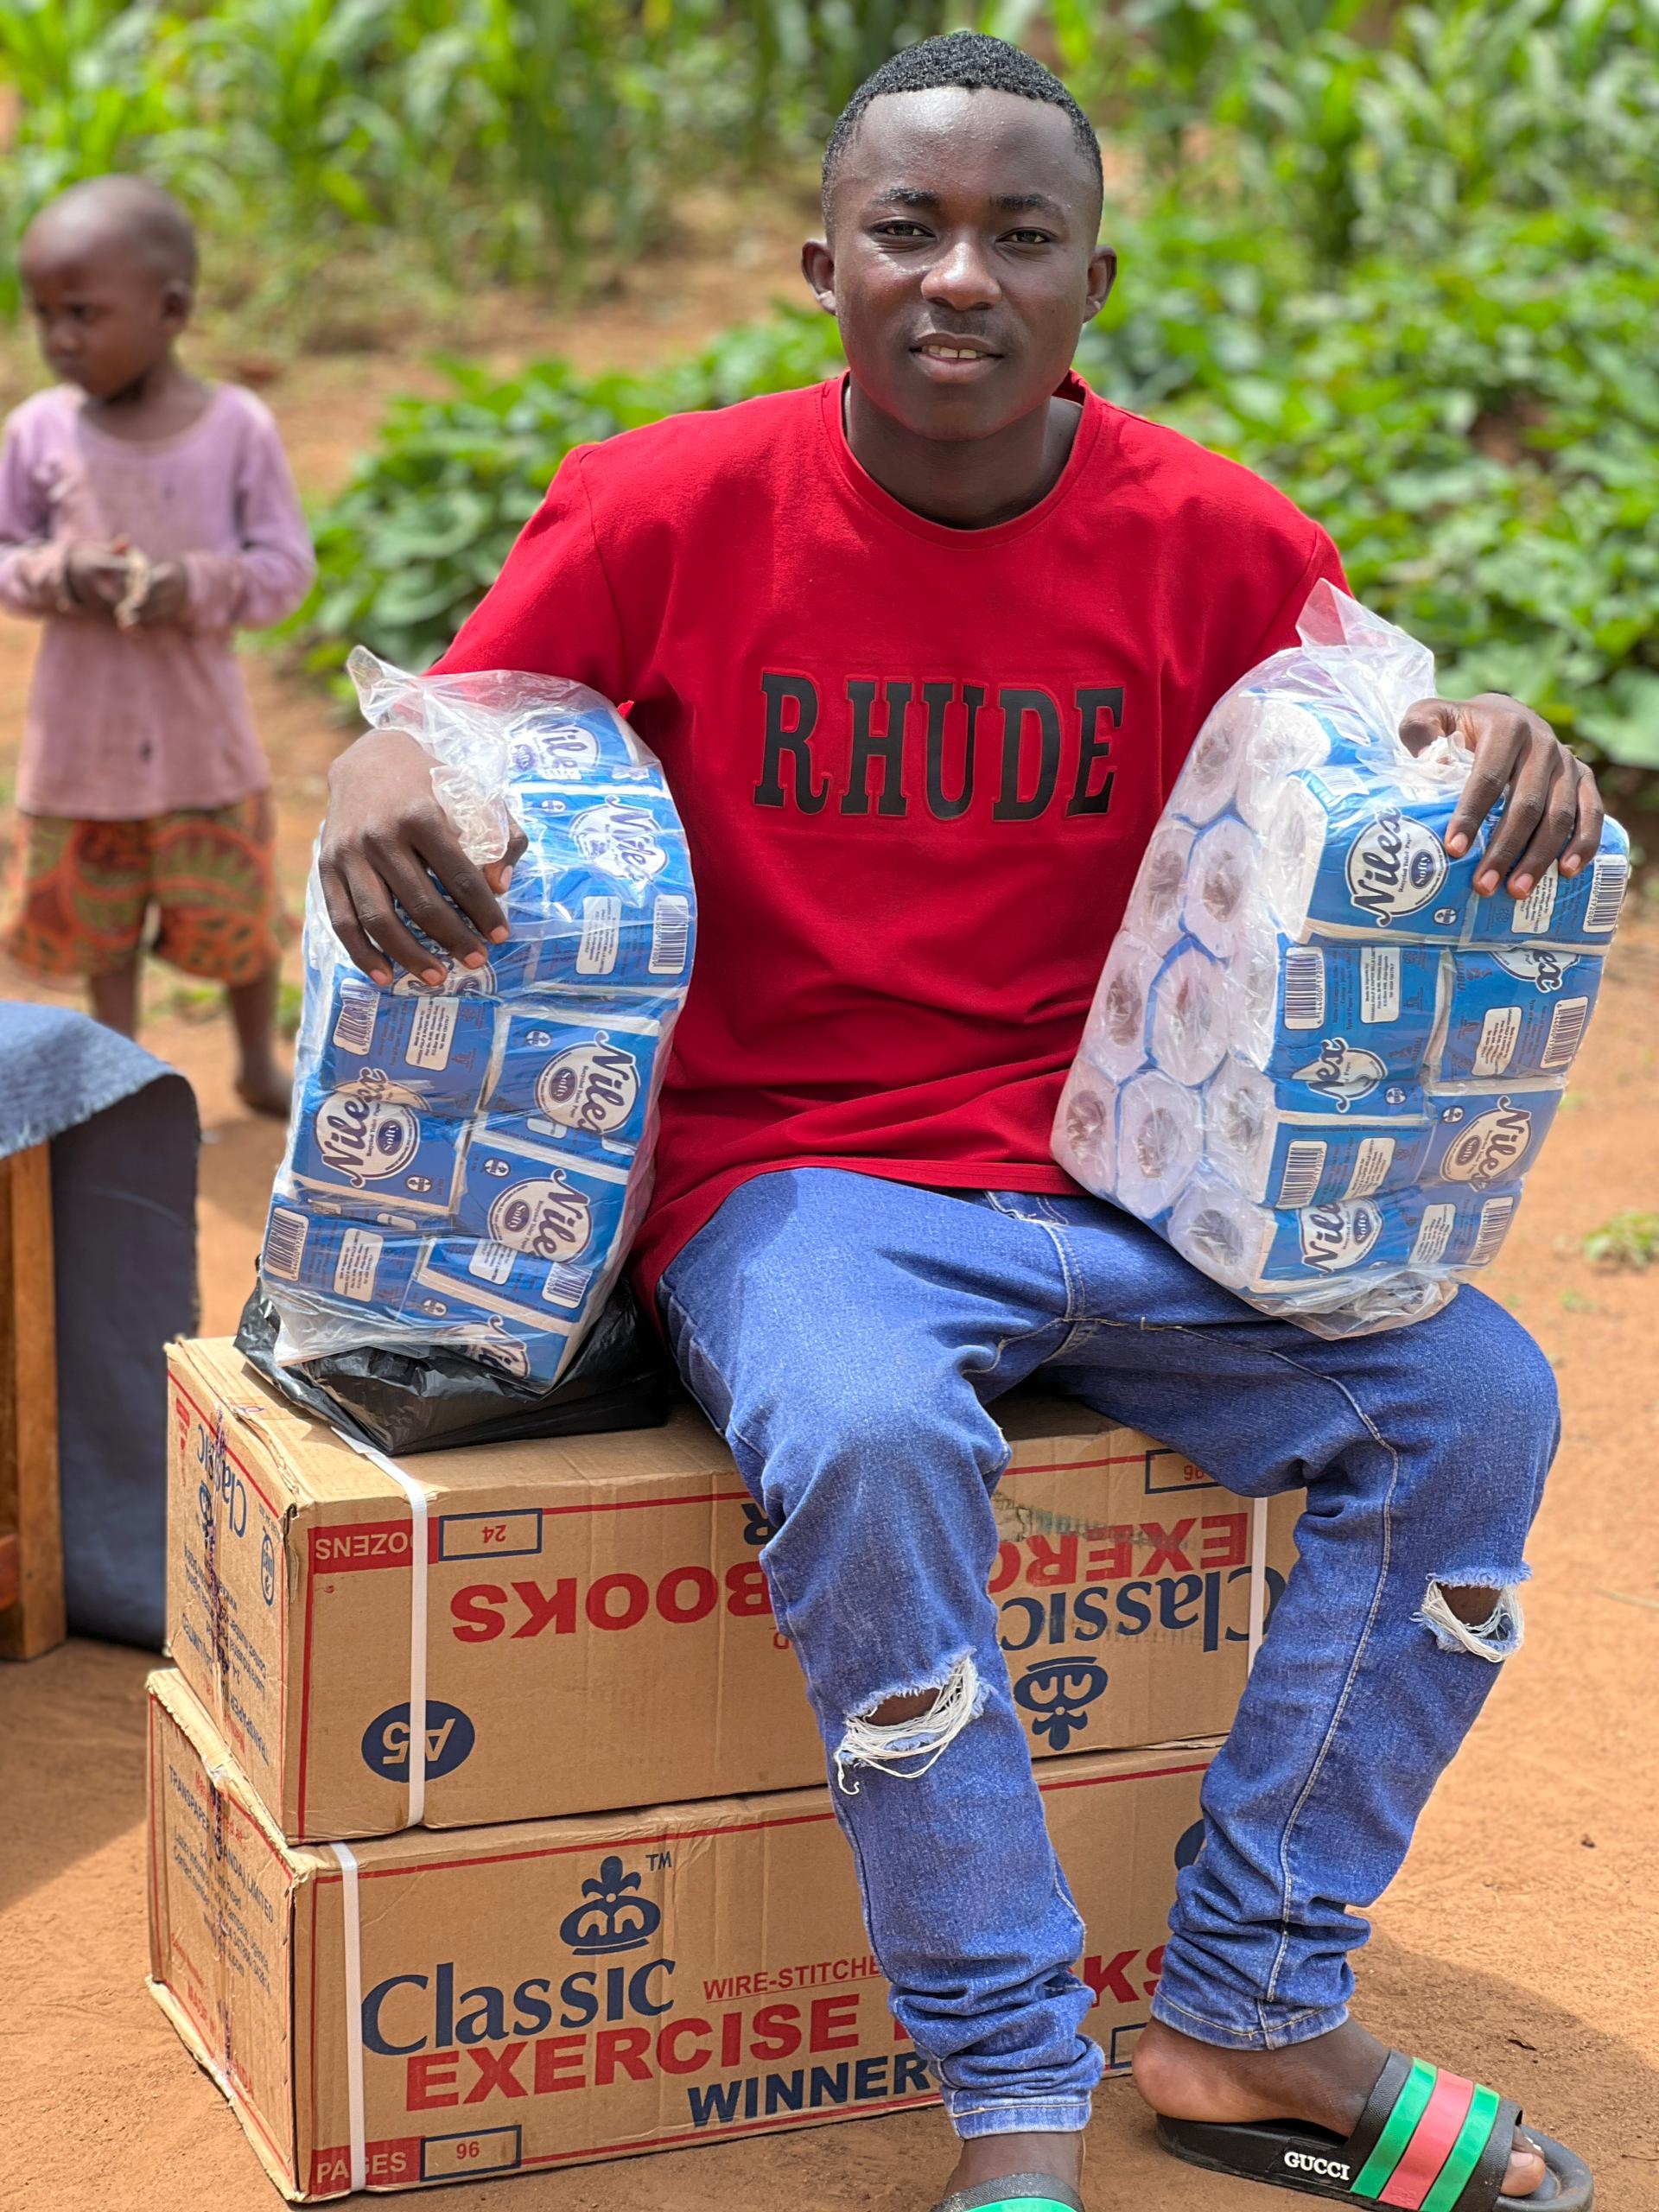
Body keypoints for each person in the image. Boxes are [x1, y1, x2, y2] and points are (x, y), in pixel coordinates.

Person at [317, 36, 1598, 2212]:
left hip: (1131, 1176)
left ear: (1096, 277)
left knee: (1472, 1401)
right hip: (801, 1181)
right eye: (906, 228)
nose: (958, 278)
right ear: (821, 262)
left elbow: (1373, 718)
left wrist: (1483, 728)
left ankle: (1246, 1999)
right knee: (878, 1432)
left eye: (1020, 234)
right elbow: (460, 731)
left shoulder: (1214, 537)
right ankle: (1010, 2082)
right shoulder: (659, 508)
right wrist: (372, 769)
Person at [0, 175, 315, 1114]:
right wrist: (62, 570)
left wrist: (193, 584)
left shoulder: (236, 430)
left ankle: (258, 1063)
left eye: (84, 315)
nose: (59, 339)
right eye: (44, 315)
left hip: (200, 744)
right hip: (81, 749)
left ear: (171, 309)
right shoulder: (37, 430)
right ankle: (121, 1078)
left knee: (238, 924)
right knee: (101, 936)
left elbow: (284, 569)